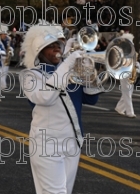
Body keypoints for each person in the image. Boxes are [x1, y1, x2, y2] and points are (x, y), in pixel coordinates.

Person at [20, 23, 100, 194]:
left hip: (73, 141)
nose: (56, 49)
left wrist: (90, 73)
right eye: (50, 46)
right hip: (46, 144)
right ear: (40, 51)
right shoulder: (30, 75)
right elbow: (45, 97)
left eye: (58, 45)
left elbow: (92, 99)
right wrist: (66, 66)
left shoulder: (69, 72)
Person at [115, 33, 137, 118]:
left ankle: (119, 108)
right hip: (123, 73)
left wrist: (137, 67)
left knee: (129, 92)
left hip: (131, 73)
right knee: (127, 92)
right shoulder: (120, 52)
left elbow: (135, 62)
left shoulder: (132, 52)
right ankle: (129, 112)